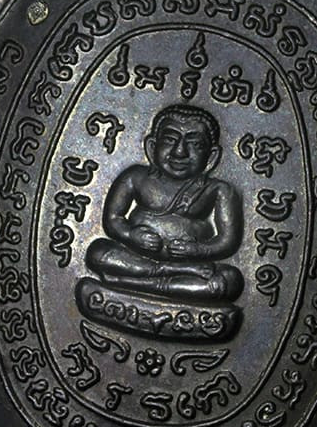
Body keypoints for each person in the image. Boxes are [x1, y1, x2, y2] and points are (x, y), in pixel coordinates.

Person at [85, 104, 244, 301]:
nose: (180, 152)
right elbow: (113, 219)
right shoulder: (136, 177)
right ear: (152, 147)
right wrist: (131, 235)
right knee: (98, 252)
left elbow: (228, 241)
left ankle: (130, 284)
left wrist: (197, 250)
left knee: (229, 280)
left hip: (192, 265)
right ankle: (161, 273)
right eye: (170, 140)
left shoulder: (218, 190)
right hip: (137, 259)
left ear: (211, 156)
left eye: (194, 144)